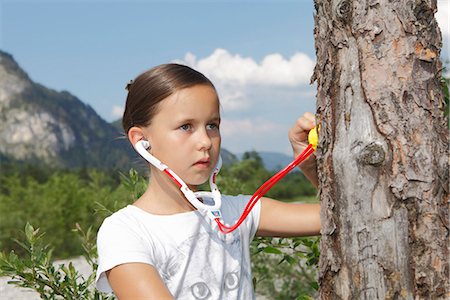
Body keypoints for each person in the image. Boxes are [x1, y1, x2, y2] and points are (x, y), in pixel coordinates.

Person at [95, 63, 320, 300]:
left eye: (212, 125)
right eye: (186, 127)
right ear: (142, 140)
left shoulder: (235, 212)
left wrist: (310, 166)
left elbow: (338, 218)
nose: (205, 141)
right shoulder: (125, 231)